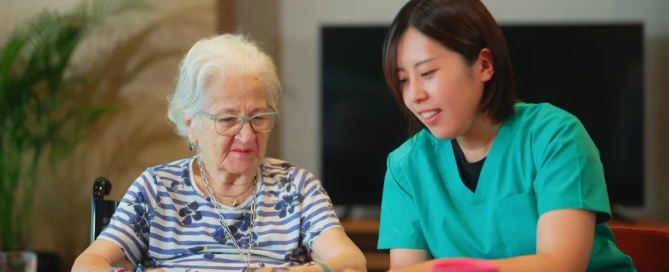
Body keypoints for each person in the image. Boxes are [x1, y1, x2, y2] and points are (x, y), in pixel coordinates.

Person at [376, 1, 636, 272]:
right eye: (404, 79)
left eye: (427, 73)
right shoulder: (405, 167)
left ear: (484, 65)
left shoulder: (556, 137)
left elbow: (561, 266)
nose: (414, 95)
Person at [73, 33, 366, 272]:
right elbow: (87, 264)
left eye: (258, 117)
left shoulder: (296, 187)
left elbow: (352, 261)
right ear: (191, 125)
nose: (247, 134)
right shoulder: (157, 189)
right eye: (228, 119)